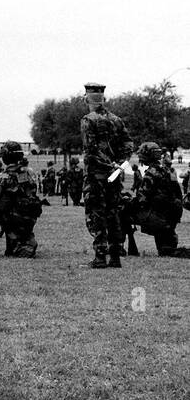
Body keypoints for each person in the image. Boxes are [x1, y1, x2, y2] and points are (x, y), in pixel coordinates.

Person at [80, 82, 133, 269]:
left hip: (96, 176)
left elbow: (91, 150)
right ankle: (116, 257)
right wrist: (118, 164)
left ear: (87, 98)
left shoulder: (88, 120)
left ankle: (100, 257)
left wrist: (108, 164)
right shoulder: (116, 120)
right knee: (114, 214)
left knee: (96, 215)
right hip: (114, 176)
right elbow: (128, 144)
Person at [125, 142, 188, 257]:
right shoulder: (169, 171)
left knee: (122, 211)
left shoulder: (151, 174)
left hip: (158, 218)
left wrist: (127, 201)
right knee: (166, 251)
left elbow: (141, 200)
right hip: (170, 218)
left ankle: (119, 248)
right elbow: (178, 195)